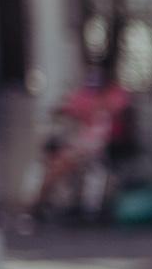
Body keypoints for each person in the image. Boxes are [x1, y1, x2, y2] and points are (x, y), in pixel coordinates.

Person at [31, 61, 133, 217]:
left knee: (63, 164)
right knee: (55, 164)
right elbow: (66, 107)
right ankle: (42, 203)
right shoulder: (88, 99)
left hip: (109, 147)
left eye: (98, 88)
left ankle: (41, 203)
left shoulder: (116, 97)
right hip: (85, 146)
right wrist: (61, 111)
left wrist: (108, 110)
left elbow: (122, 114)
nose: (95, 93)